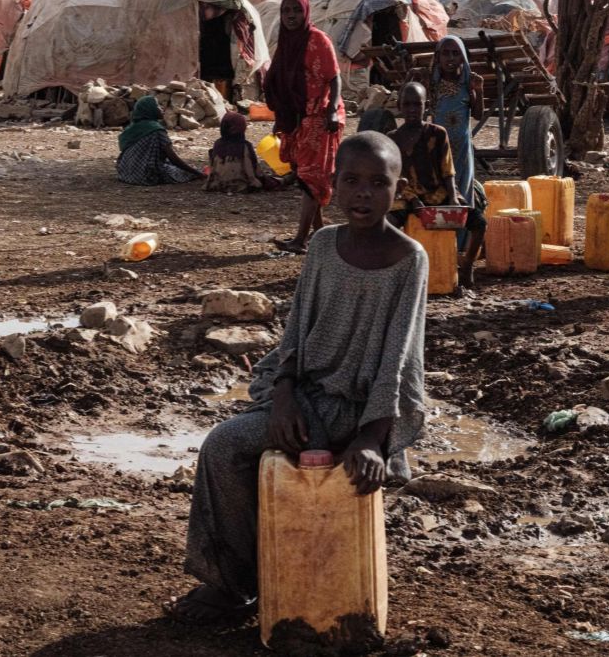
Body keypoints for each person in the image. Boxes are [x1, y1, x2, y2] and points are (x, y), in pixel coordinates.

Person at [169, 132, 427, 624]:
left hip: (361, 412)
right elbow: (295, 337)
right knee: (224, 446)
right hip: (305, 400)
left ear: (400, 189)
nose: (363, 194)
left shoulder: (409, 260)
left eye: (378, 183)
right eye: (351, 181)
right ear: (332, 184)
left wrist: (373, 438)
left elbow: (400, 358)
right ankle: (231, 583)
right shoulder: (324, 246)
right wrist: (283, 396)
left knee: (344, 482)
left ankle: (314, 584)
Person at [265, 0, 344, 253]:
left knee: (311, 175)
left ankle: (300, 240)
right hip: (296, 116)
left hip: (320, 115)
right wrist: (280, 116)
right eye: (286, 11)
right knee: (304, 175)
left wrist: (332, 110)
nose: (290, 16)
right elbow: (279, 81)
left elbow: (334, 78)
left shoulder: (317, 40)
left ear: (305, 12)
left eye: (296, 10)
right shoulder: (286, 43)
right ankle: (319, 233)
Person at [386, 82, 486, 286]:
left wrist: (453, 196)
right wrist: (413, 200)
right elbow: (396, 178)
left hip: (437, 194)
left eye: (417, 104)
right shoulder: (392, 139)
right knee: (386, 225)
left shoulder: (437, 133)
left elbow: (448, 170)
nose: (412, 110)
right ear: (399, 105)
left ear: (427, 106)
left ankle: (466, 266)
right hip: (407, 197)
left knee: (479, 223)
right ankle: (396, 271)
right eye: (407, 104)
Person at [428, 36, 484, 204]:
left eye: (455, 53)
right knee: (441, 189)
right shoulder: (432, 84)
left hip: (462, 150)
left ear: (462, 58)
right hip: (439, 148)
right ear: (438, 57)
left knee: (463, 188)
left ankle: (462, 228)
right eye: (445, 53)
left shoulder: (467, 84)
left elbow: (478, 115)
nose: (450, 58)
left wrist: (479, 91)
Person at [116, 96, 203, 186]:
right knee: (185, 171)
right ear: (149, 109)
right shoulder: (156, 130)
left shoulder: (131, 128)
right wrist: (196, 173)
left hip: (125, 172)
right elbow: (172, 158)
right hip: (145, 175)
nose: (161, 108)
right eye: (157, 105)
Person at [204, 112, 274, 193]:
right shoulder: (245, 146)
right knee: (272, 181)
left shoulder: (217, 144)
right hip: (241, 185)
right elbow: (256, 171)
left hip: (217, 184)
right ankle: (284, 180)